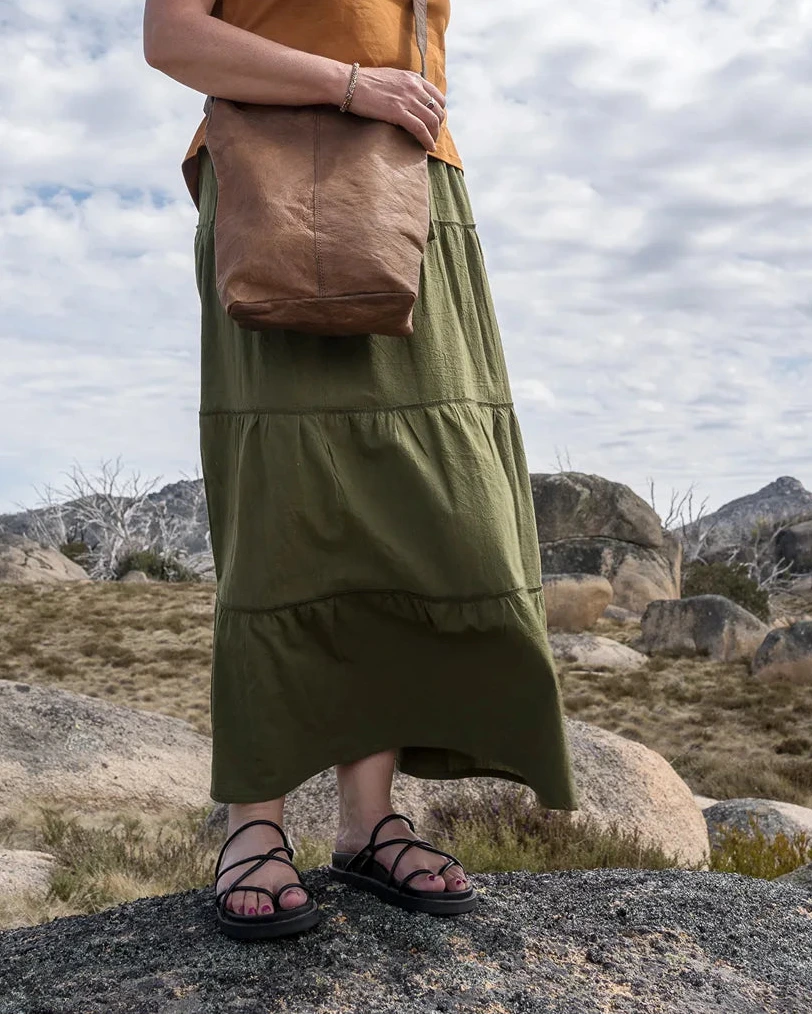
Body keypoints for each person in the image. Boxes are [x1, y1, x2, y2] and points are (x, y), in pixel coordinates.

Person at [143, 0, 577, 940]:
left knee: (428, 500)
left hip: (414, 182)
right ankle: (252, 824)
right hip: (278, 182)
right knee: (283, 496)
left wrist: (383, 97)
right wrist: (348, 84)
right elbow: (171, 35)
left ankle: (366, 819)